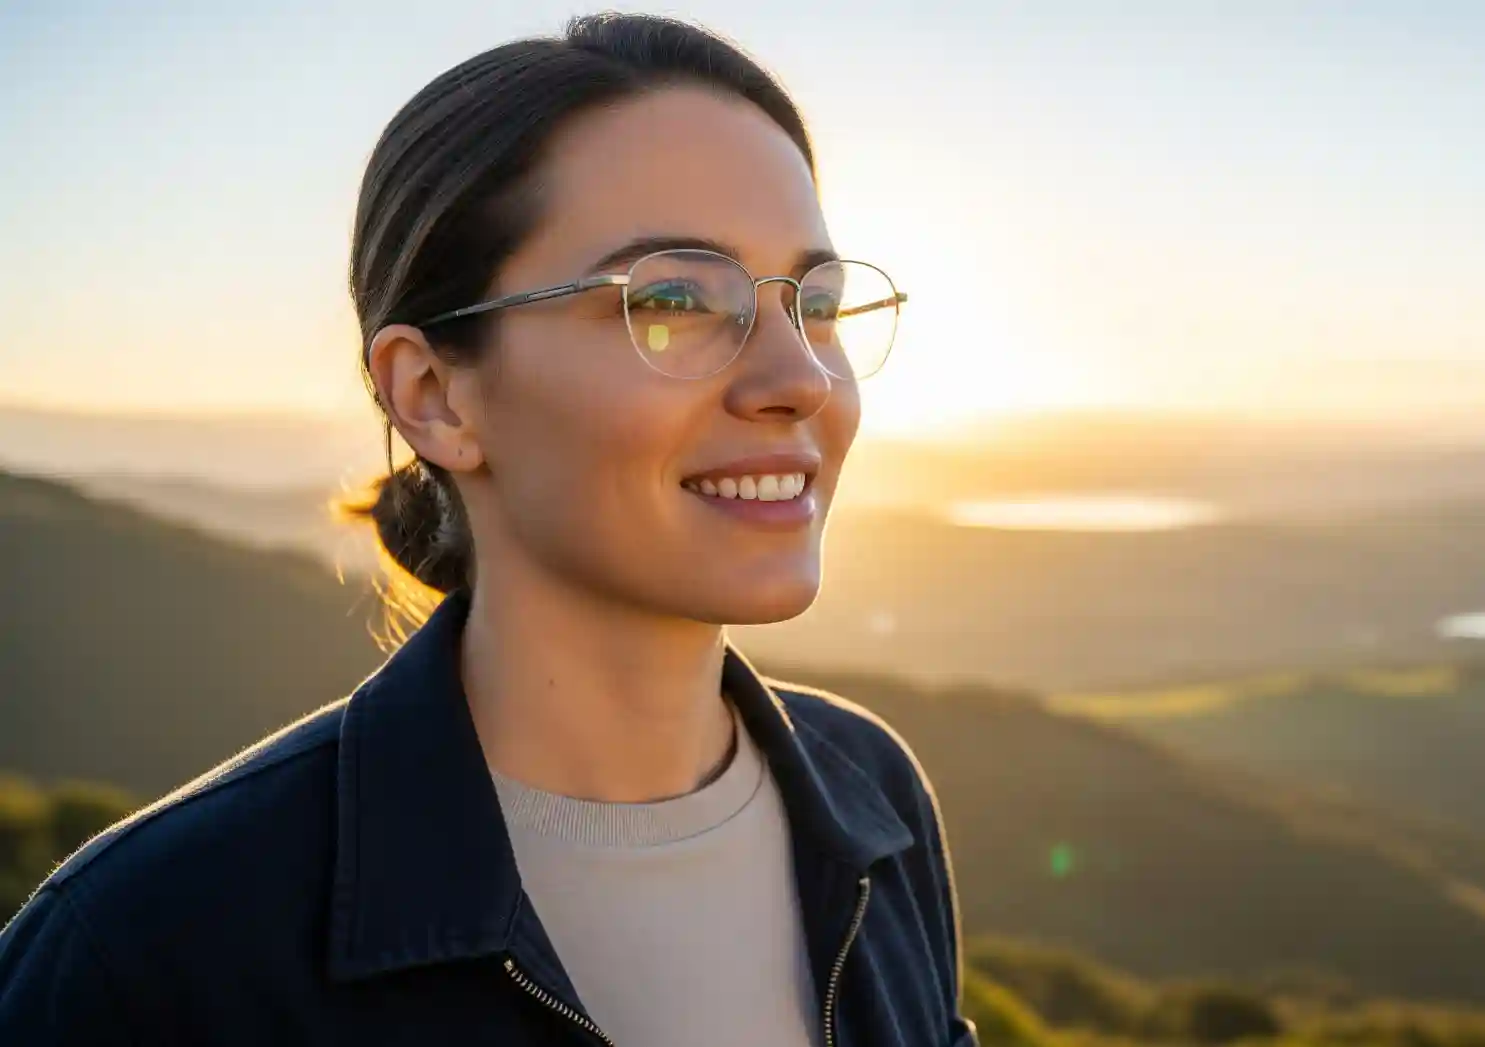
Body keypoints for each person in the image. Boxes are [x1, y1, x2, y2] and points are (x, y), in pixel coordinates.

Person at [0, 13, 973, 1046]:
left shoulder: (873, 803)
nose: (801, 378)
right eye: (679, 299)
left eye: (814, 303)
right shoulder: (147, 953)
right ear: (434, 397)